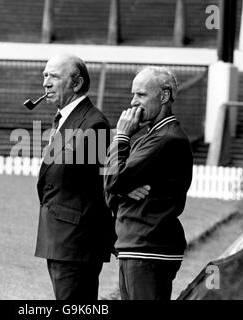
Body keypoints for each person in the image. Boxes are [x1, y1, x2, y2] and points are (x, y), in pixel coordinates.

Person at [104, 66, 193, 300]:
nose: (133, 102)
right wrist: (121, 189)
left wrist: (122, 136)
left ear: (164, 96)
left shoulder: (166, 139)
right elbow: (111, 189)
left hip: (149, 248)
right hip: (136, 245)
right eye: (133, 94)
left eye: (141, 95)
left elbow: (113, 180)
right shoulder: (149, 138)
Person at [34, 53, 115, 300]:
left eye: (54, 77)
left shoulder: (94, 124)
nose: (46, 82)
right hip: (61, 239)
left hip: (76, 243)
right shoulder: (65, 118)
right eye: (45, 76)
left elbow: (103, 183)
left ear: (76, 84)